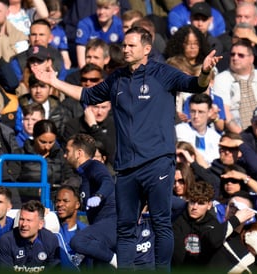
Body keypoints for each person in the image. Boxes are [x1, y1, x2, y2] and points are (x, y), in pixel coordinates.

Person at [31, 26, 221, 270]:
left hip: (157, 162)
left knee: (161, 223)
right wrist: (53, 81)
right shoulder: (117, 78)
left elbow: (196, 84)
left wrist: (205, 72)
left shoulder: (163, 73)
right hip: (127, 166)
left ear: (146, 49)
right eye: (124, 45)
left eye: (132, 45)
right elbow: (87, 96)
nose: (126, 49)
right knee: (126, 226)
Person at [64, 133, 117, 268]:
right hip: (100, 227)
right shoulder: (83, 175)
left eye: (67, 151)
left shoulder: (94, 166)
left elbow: (108, 182)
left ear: (79, 153)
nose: (65, 155)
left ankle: (117, 261)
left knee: (79, 241)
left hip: (112, 222)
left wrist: (99, 196)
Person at [213, 39, 257, 133]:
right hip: (235, 134)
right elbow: (225, 114)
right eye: (232, 54)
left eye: (241, 55)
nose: (235, 58)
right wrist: (244, 137)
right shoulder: (221, 79)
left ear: (251, 59)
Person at [18, 120, 74, 202]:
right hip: (27, 201)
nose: (47, 147)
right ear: (34, 137)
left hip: (54, 202)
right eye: (43, 142)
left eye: (51, 142)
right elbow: (11, 183)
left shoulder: (60, 154)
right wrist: (34, 191)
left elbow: (69, 177)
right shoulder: (21, 154)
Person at [0, 200, 61, 271]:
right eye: (21, 219)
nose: (24, 224)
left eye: (29, 220)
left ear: (40, 224)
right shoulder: (7, 240)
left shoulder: (50, 240)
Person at [175, 93, 221, 166]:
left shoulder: (216, 138)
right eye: (193, 111)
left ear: (209, 112)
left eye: (200, 112)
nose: (196, 116)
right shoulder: (180, 130)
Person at [75, 0, 123, 68]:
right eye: (99, 7)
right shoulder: (85, 24)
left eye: (106, 8)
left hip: (111, 67)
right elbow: (81, 59)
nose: (101, 12)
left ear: (115, 10)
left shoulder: (119, 25)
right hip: (90, 66)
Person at [55, 185, 88, 268]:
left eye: (65, 201)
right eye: (58, 201)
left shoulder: (86, 232)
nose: (60, 204)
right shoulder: (49, 226)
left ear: (77, 205)